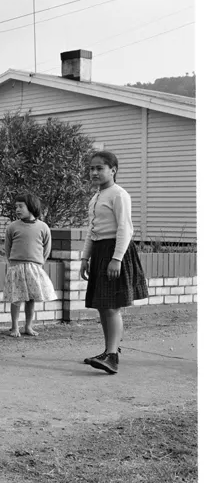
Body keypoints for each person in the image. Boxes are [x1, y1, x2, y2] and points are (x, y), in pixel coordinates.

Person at [80, 151, 148, 374]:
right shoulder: (95, 198)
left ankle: (112, 356)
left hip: (115, 251)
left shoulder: (119, 194)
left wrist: (116, 258)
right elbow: (92, 231)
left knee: (111, 306)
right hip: (100, 251)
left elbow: (124, 229)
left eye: (100, 168)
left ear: (113, 170)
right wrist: (85, 258)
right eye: (92, 168)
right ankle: (108, 351)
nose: (94, 172)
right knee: (102, 305)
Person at [3, 193, 57, 337]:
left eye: (21, 206)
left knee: (31, 298)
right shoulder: (12, 227)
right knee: (16, 297)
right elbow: (7, 247)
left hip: (34, 267)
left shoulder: (43, 227)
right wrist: (13, 262)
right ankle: (14, 327)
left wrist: (39, 262)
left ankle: (28, 326)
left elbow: (46, 248)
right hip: (16, 267)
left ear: (31, 207)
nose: (17, 209)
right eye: (16, 207)